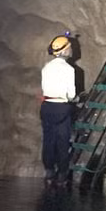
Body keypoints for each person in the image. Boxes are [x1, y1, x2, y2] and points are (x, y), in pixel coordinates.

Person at [40, 33, 77, 185]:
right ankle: (62, 174)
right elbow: (71, 95)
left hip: (47, 107)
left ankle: (49, 171)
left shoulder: (46, 68)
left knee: (48, 140)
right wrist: (77, 99)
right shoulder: (69, 70)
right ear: (64, 51)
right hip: (62, 108)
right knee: (62, 141)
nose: (71, 49)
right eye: (69, 47)